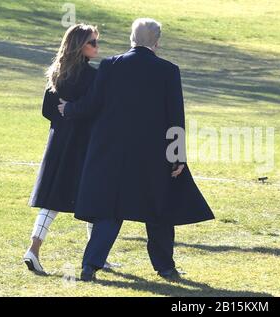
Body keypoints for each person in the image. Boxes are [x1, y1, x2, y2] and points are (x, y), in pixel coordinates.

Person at [58, 18, 215, 281]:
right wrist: (177, 156)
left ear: (132, 38)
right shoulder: (168, 70)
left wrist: (69, 109)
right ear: (157, 42)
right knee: (159, 211)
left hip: (112, 153)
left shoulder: (110, 65)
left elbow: (93, 103)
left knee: (109, 211)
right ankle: (165, 267)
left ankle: (90, 266)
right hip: (153, 155)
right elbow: (175, 117)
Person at [24, 24, 114, 273]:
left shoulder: (57, 72)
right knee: (93, 198)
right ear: (79, 45)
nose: (97, 47)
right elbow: (96, 110)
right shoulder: (93, 76)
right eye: (92, 42)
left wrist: (65, 115)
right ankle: (96, 256)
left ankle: (34, 249)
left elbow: (47, 111)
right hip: (84, 145)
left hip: (59, 142)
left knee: (52, 201)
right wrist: (77, 114)